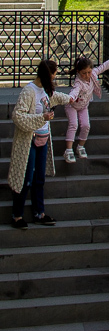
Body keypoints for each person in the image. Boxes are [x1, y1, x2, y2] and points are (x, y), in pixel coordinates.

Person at [9, 59, 71, 230]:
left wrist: (71, 98)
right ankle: (17, 215)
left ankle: (39, 213)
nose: (55, 78)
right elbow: (17, 115)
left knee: (39, 178)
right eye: (54, 75)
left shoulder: (45, 90)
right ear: (47, 75)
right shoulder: (29, 91)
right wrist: (41, 118)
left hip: (43, 139)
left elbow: (55, 97)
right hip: (29, 140)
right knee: (25, 178)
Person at [64, 52, 109, 163]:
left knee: (86, 125)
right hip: (72, 105)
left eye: (89, 72)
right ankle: (68, 150)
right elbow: (75, 91)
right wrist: (70, 98)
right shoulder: (78, 82)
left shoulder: (93, 74)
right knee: (73, 124)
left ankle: (80, 147)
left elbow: (105, 65)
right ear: (78, 72)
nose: (87, 75)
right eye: (84, 73)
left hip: (83, 106)